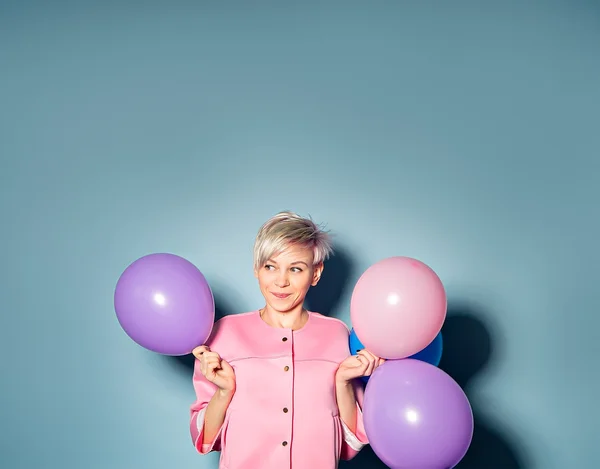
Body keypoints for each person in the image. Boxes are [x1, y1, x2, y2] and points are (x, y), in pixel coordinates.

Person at [189, 211, 384, 469]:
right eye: (270, 266)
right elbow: (205, 438)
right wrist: (224, 392)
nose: (281, 281)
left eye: (295, 269)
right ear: (257, 269)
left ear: (315, 273)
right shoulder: (223, 332)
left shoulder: (336, 334)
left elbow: (349, 443)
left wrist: (342, 382)